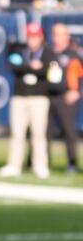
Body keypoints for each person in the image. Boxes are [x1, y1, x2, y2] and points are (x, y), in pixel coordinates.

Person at [0, 23, 55, 179]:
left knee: (39, 134)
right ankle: (14, 165)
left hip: (39, 97)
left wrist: (29, 68)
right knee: (17, 133)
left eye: (35, 36)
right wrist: (31, 67)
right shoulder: (20, 50)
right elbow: (14, 66)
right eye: (30, 36)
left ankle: (40, 166)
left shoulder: (47, 53)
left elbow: (46, 70)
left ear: (41, 37)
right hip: (20, 97)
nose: (33, 40)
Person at [47, 23, 81, 173]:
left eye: (60, 34)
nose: (57, 38)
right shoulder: (49, 53)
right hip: (48, 96)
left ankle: (72, 162)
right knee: (44, 131)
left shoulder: (73, 54)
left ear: (67, 36)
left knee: (68, 131)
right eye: (55, 34)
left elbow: (80, 76)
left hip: (66, 97)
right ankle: (42, 162)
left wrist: (76, 91)